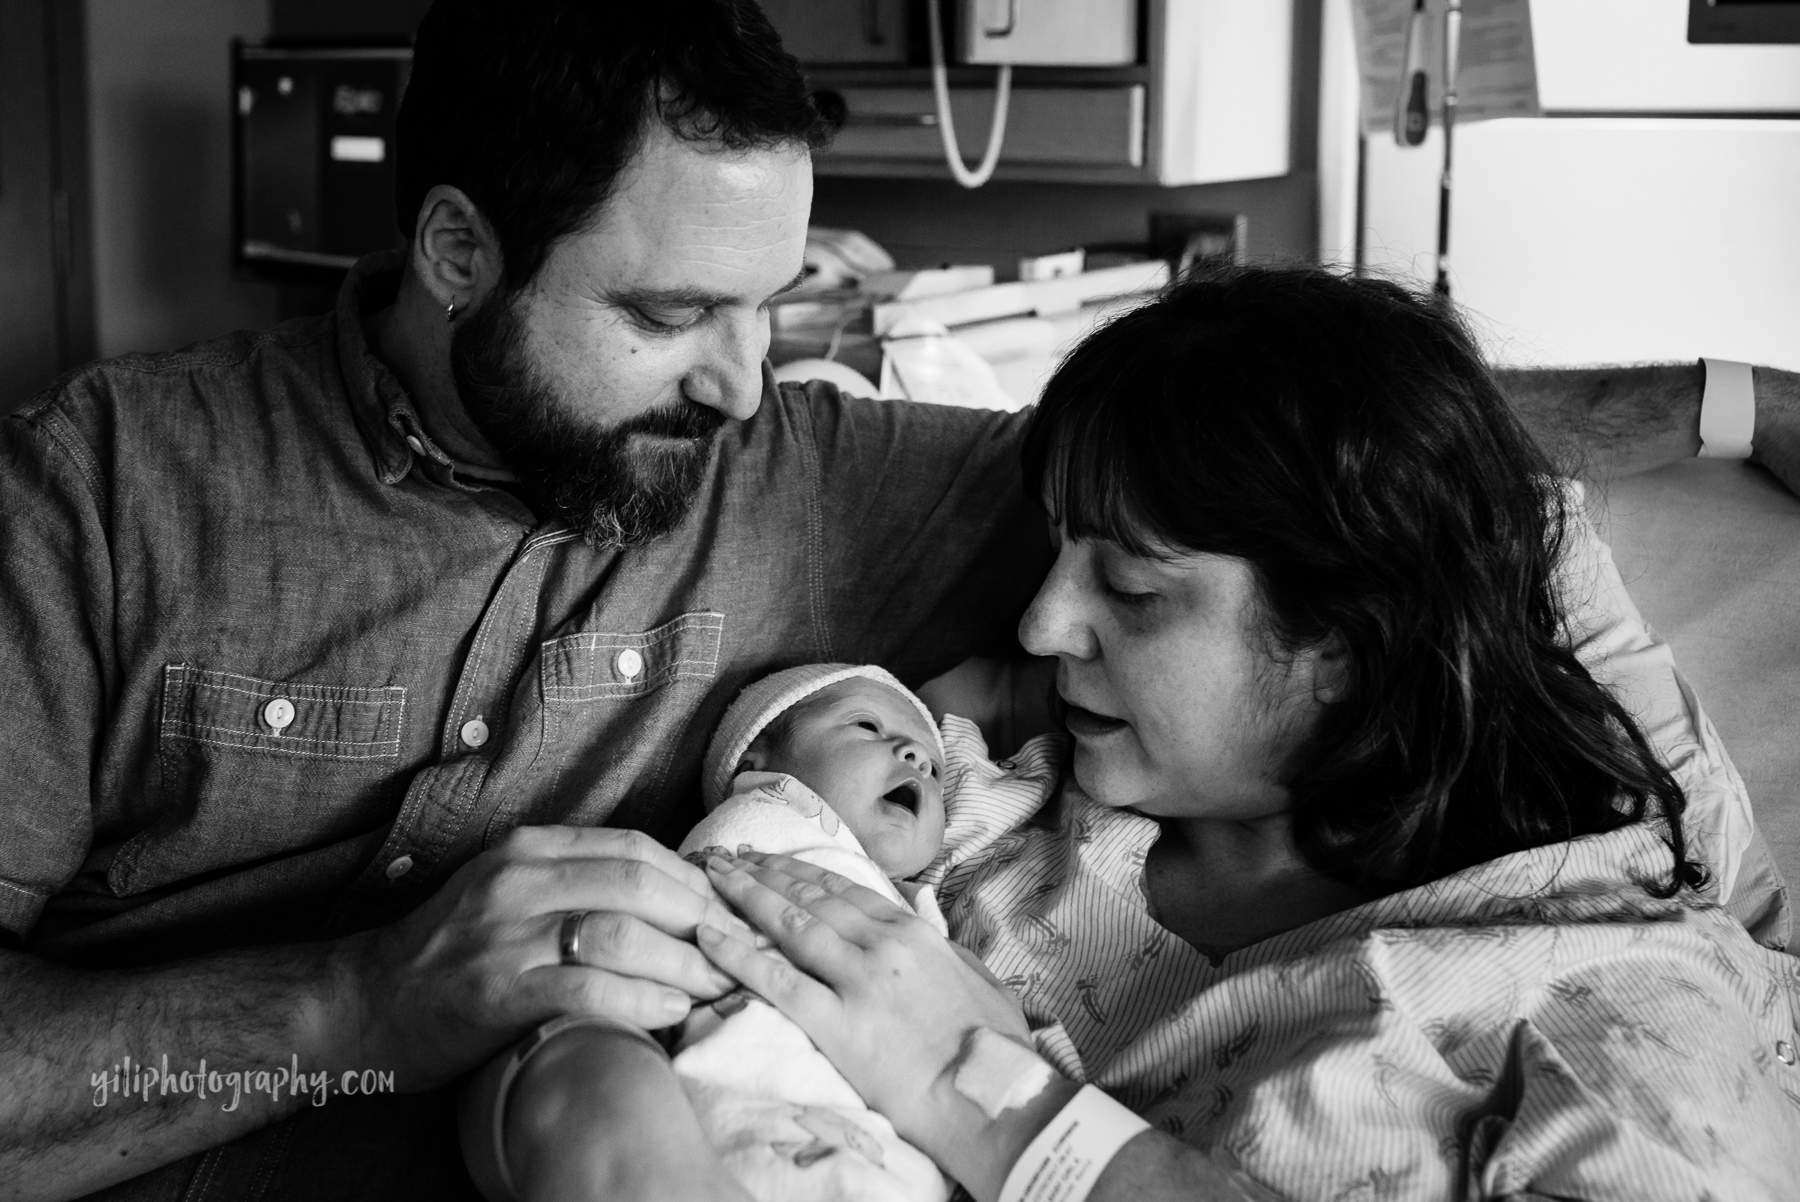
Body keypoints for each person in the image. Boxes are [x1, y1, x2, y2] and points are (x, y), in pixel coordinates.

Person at [0, 0, 1794, 1197]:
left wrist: (1731, 403)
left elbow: (1325, 463)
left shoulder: (822, 474)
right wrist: (347, 1013)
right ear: (458, 253)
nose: (737, 383)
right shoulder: (103, 495)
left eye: (770, 304)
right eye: (666, 315)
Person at [691, 267, 1800, 1202]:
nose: (1041, 620)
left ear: (1347, 644)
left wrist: (997, 1099)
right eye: (1061, 549)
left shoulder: (1609, 991)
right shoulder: (978, 805)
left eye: (1130, 587)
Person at [468, 663, 959, 1202]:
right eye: (868, 726)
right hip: (722, 1106)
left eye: (935, 769)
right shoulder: (764, 818)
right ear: (756, 761)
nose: (915, 757)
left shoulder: (912, 908)